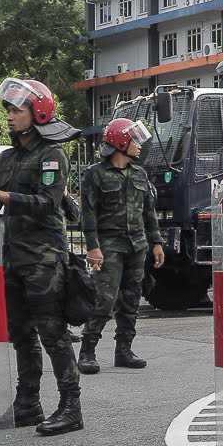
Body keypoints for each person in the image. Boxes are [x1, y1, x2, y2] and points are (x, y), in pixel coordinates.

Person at [0, 78, 83, 437]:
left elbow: (47, 203)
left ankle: (70, 407)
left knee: (53, 333)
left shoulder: (51, 154)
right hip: (13, 256)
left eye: (16, 109)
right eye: (7, 108)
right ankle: (28, 404)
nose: (9, 115)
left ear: (37, 112)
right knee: (20, 333)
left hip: (43, 258)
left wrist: (3, 196)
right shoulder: (6, 157)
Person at [78, 117, 166, 375]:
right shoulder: (95, 175)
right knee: (104, 299)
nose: (139, 146)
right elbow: (88, 214)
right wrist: (93, 247)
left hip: (137, 245)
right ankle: (87, 351)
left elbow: (149, 213)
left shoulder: (140, 173)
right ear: (121, 142)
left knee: (131, 299)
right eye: (134, 141)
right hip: (109, 246)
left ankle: (124, 350)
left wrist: (157, 242)